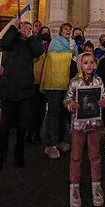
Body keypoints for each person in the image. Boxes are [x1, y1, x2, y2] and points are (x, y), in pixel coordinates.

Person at [0, 20, 44, 169]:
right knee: (5, 125)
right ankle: (1, 155)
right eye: (24, 27)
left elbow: (38, 52)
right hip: (8, 87)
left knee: (23, 125)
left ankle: (19, 154)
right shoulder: (12, 41)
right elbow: (4, 43)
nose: (26, 30)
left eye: (29, 28)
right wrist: (13, 29)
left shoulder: (31, 43)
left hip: (25, 89)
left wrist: (31, 37)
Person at [64, 52, 105, 207]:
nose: (89, 65)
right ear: (79, 65)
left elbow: (104, 96)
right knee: (76, 155)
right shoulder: (74, 82)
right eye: (86, 62)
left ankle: (96, 184)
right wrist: (71, 105)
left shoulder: (99, 81)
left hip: (94, 124)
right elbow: (66, 99)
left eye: (91, 62)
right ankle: (74, 185)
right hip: (78, 125)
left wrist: (104, 101)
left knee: (95, 154)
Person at [40, 23, 77, 159]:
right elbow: (53, 58)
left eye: (70, 29)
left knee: (63, 112)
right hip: (54, 82)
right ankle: (50, 144)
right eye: (66, 29)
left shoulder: (72, 43)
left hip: (67, 82)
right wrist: (69, 55)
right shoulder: (55, 42)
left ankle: (60, 139)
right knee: (53, 112)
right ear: (60, 31)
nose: (68, 31)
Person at [26, 25, 50, 145]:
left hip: (45, 82)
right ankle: (29, 133)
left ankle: (37, 133)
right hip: (34, 81)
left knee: (41, 110)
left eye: (47, 32)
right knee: (32, 109)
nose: (45, 33)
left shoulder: (51, 46)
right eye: (43, 31)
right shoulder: (35, 45)